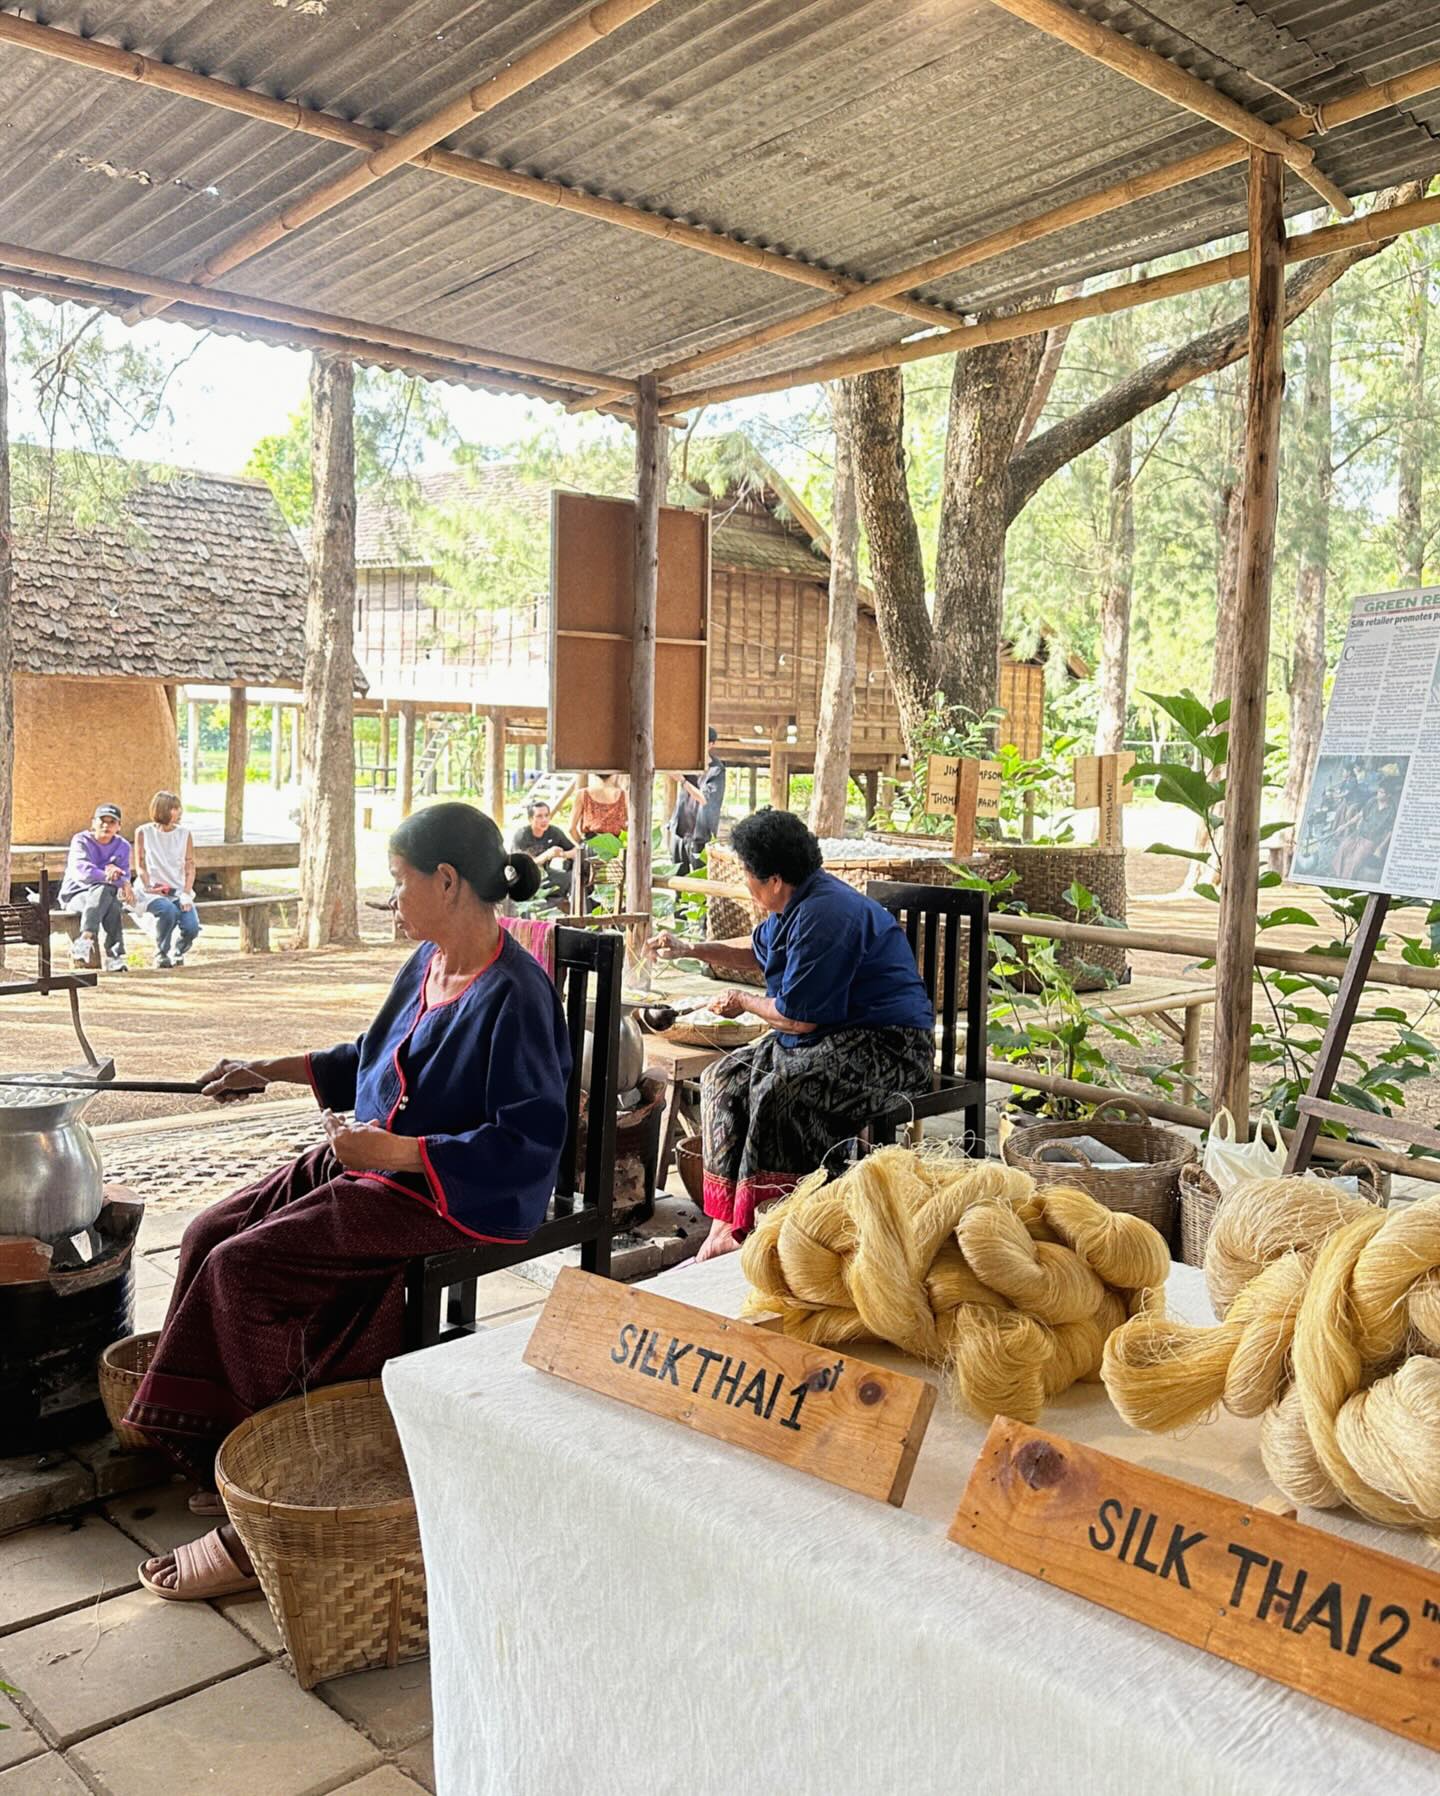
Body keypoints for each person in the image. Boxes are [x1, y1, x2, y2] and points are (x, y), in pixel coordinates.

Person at [128, 803, 570, 1602]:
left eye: (399, 883)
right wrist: (267, 1068)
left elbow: (529, 1142)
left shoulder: (518, 995)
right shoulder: (428, 962)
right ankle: (229, 1452)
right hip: (378, 1166)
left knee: (243, 1272)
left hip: (450, 1192)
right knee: (208, 1232)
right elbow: (367, 1056)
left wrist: (396, 1153)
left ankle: (268, 1507)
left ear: (446, 880)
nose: (390, 900)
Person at [649, 809, 935, 1262]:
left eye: (746, 872)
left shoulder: (826, 914)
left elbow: (797, 1020)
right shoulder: (794, 905)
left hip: (891, 1046)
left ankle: (783, 1223)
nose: (743, 880)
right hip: (831, 1035)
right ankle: (727, 1221)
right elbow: (757, 951)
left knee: (780, 1092)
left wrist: (743, 1002)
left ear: (775, 879)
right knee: (724, 1077)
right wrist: (689, 948)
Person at [60, 803, 134, 973]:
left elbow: (125, 875)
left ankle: (85, 940)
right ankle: (113, 955)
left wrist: (122, 880)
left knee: (110, 900)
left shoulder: (123, 845)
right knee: (106, 891)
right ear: (93, 823)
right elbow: (83, 872)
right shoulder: (81, 840)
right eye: (102, 821)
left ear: (119, 826)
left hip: (104, 897)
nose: (106, 826)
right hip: (77, 894)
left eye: (112, 822)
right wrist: (110, 876)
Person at [134, 790, 202, 968]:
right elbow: (140, 863)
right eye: (174, 808)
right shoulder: (143, 832)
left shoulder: (184, 834)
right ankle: (161, 952)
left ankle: (179, 949)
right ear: (164, 810)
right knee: (168, 911)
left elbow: (189, 864)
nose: (179, 812)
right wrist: (148, 884)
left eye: (179, 808)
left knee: (191, 927)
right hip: (153, 889)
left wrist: (186, 892)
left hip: (178, 889)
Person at [670, 728, 726, 874]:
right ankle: (678, 898)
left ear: (711, 744)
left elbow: (704, 799)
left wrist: (682, 781)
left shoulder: (717, 770)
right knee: (677, 876)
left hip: (700, 835)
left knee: (699, 878)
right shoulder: (688, 762)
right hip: (680, 831)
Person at [510, 799, 578, 905]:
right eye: (539, 816)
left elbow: (575, 851)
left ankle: (562, 903)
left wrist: (563, 854)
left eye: (547, 815)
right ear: (530, 819)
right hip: (522, 878)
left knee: (572, 877)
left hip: (544, 874)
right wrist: (547, 855)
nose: (544, 820)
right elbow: (524, 865)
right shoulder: (522, 835)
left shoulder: (554, 832)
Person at [570, 772, 628, 842]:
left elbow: (571, 829)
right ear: (615, 773)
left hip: (592, 844)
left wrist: (583, 845)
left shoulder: (582, 794)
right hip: (616, 846)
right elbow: (632, 826)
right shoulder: (625, 796)